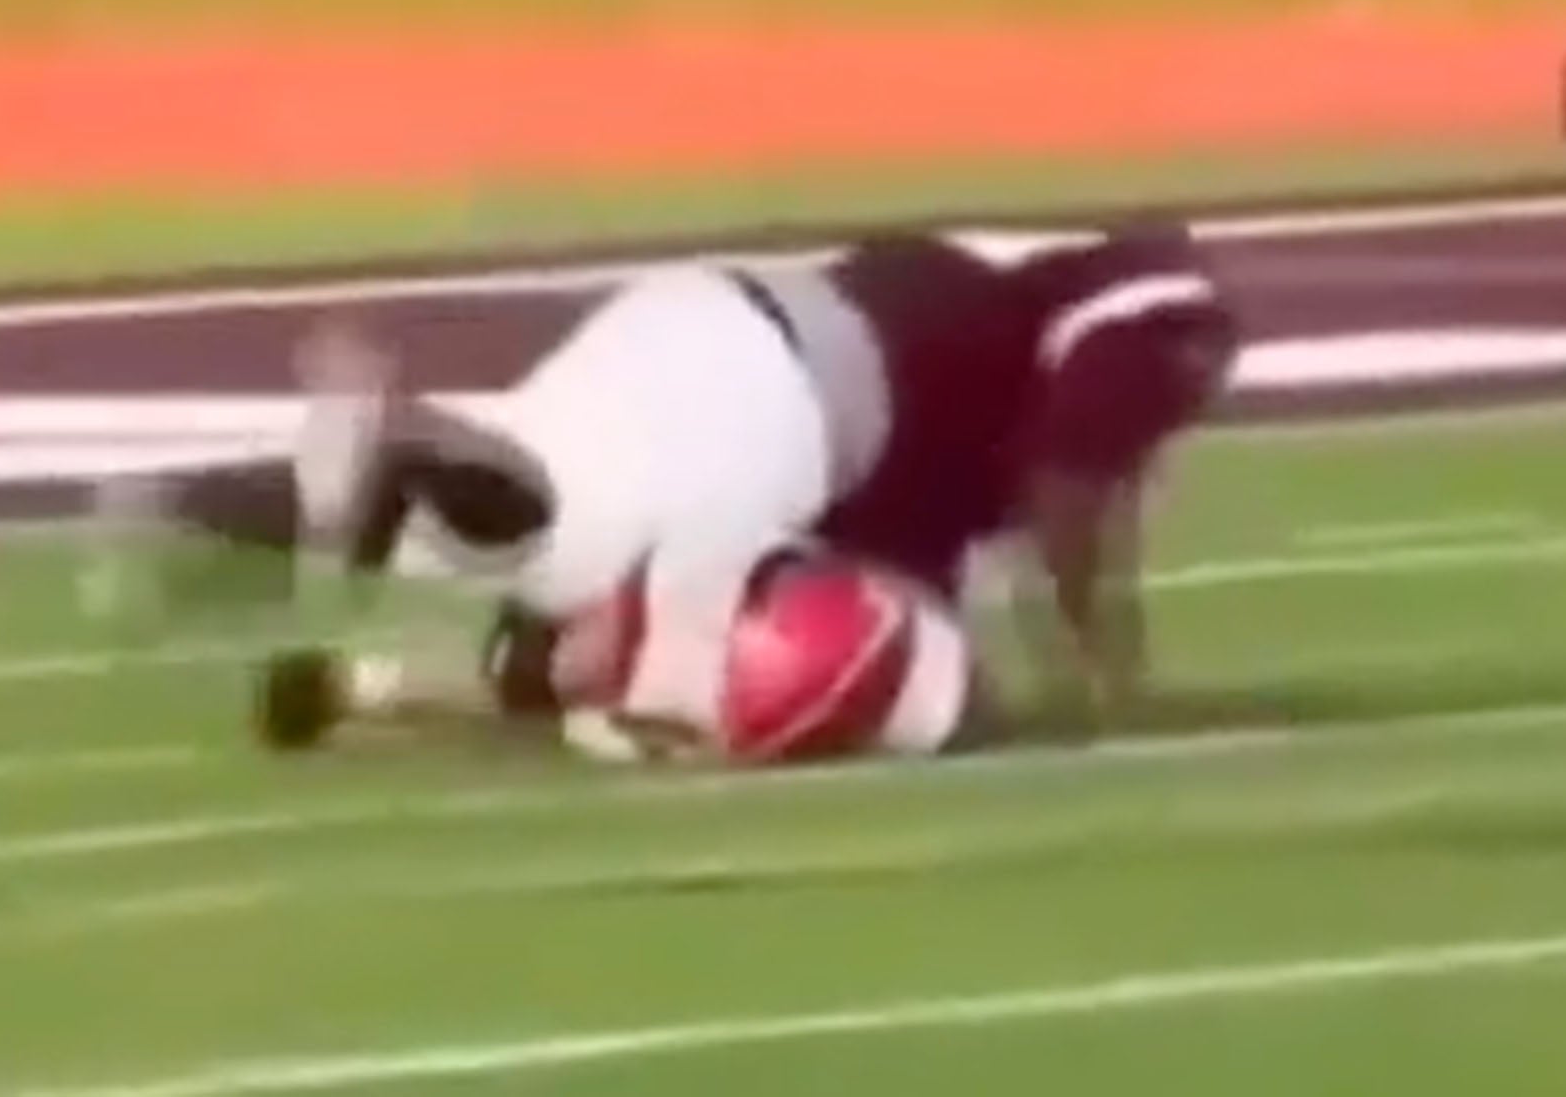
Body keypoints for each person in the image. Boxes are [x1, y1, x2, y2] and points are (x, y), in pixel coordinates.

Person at [88, 219, 1238, 761]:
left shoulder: (986, 327)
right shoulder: (1139, 322)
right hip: (786, 390)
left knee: (590, 587)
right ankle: (418, 450)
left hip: (703, 332)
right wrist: (1110, 687)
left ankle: (245, 544)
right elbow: (1069, 487)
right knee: (784, 682)